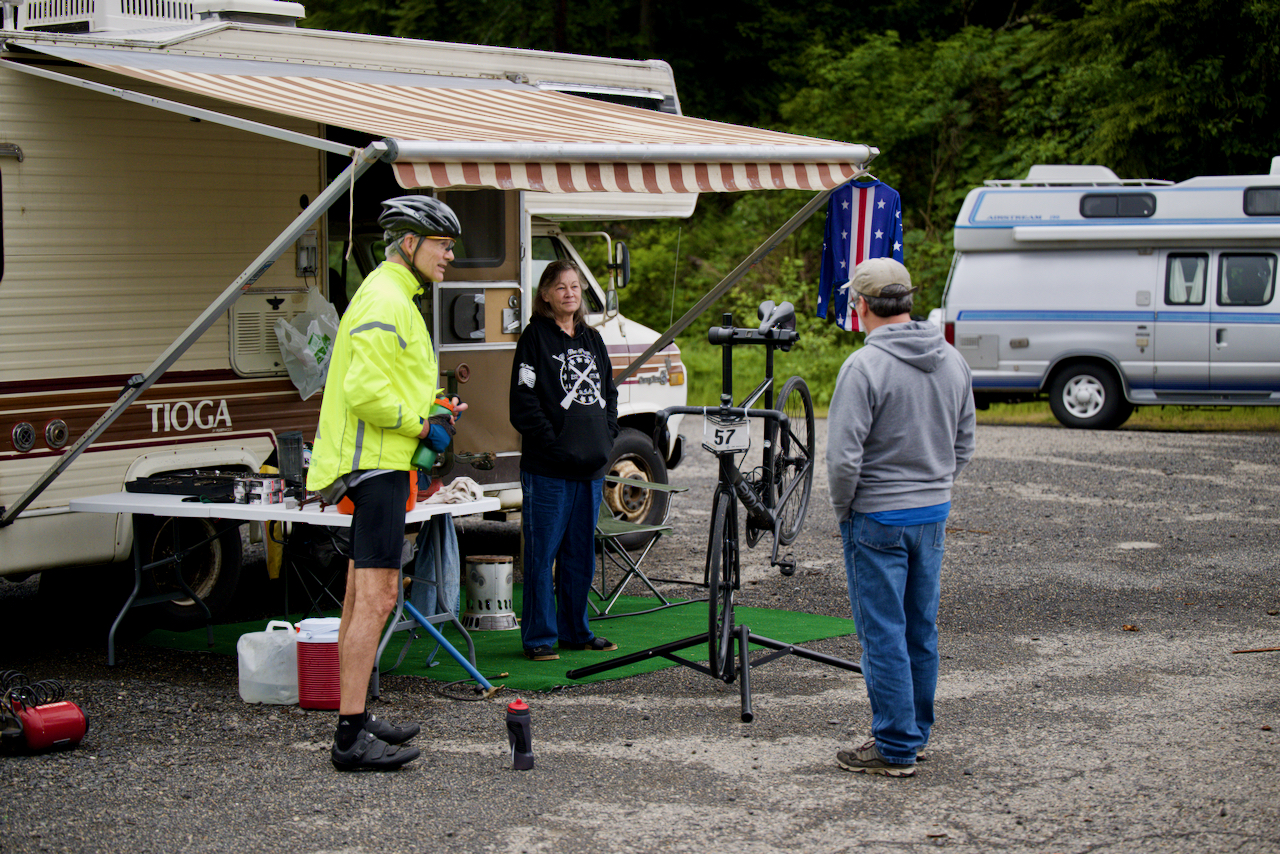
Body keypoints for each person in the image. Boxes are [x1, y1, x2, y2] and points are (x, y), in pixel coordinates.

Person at [307, 195, 466, 772]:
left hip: (378, 463)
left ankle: (355, 718)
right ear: (410, 243)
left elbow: (390, 382)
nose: (450, 255)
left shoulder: (394, 293)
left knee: (359, 598)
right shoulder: (386, 298)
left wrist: (436, 407)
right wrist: (422, 425)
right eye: (442, 244)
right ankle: (349, 737)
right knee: (379, 599)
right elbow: (365, 393)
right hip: (375, 466)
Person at [826, 257, 975, 777]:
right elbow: (964, 444)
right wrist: (934, 485)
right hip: (931, 513)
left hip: (876, 515)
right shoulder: (952, 359)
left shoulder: (863, 366)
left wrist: (844, 509)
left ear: (861, 305)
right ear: (908, 299)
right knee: (919, 629)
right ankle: (915, 734)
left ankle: (894, 745)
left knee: (883, 633)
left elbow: (843, 459)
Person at [509, 259, 620, 661]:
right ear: (545, 294)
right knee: (542, 557)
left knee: (580, 555)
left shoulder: (593, 339)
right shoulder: (534, 339)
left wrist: (607, 435)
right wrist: (553, 443)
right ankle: (540, 638)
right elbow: (523, 403)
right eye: (560, 287)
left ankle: (576, 631)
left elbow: (609, 392)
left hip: (590, 468)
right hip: (549, 470)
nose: (569, 293)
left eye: (574, 286)